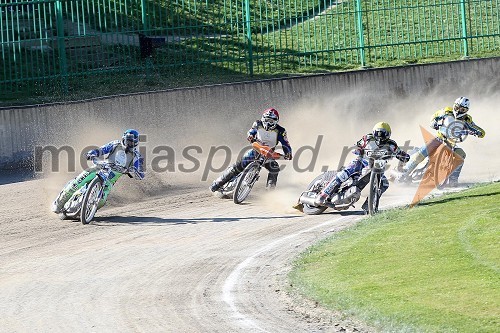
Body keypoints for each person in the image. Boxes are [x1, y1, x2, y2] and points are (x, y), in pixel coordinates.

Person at [315, 122, 410, 210]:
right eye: (378, 133)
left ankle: (369, 204)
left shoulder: (392, 144)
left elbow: (400, 153)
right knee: (343, 174)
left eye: (383, 133)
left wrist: (405, 156)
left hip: (379, 168)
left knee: (384, 184)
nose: (380, 137)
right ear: (374, 132)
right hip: (361, 162)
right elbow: (355, 146)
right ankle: (323, 195)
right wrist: (358, 150)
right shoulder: (367, 138)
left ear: (388, 134)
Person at [51, 129, 145, 214]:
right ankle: (60, 201)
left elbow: (141, 173)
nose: (129, 144)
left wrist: (137, 172)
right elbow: (102, 150)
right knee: (79, 181)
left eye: (131, 143)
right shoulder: (115, 144)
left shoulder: (136, 156)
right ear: (123, 139)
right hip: (99, 168)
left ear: (135, 143)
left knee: (101, 201)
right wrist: (92, 153)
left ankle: (87, 210)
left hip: (110, 180)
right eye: (127, 141)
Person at [397, 96, 485, 186]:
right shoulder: (446, 111)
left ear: (466, 110)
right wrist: (434, 123)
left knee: (461, 155)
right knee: (423, 151)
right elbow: (433, 117)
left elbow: (480, 131)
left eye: (462, 109)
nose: (458, 110)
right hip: (439, 138)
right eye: (457, 107)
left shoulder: (467, 119)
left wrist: (477, 133)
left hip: (452, 143)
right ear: (454, 105)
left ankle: (453, 180)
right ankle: (404, 173)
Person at [209, 108, 292, 193]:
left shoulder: (281, 131)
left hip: (268, 155)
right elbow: (251, 131)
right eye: (267, 120)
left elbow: (286, 144)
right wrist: (250, 136)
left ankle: (269, 193)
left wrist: (288, 153)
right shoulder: (257, 123)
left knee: (275, 169)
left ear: (276, 121)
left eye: (271, 121)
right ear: (263, 118)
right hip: (256, 150)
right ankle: (216, 184)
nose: (268, 123)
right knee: (237, 166)